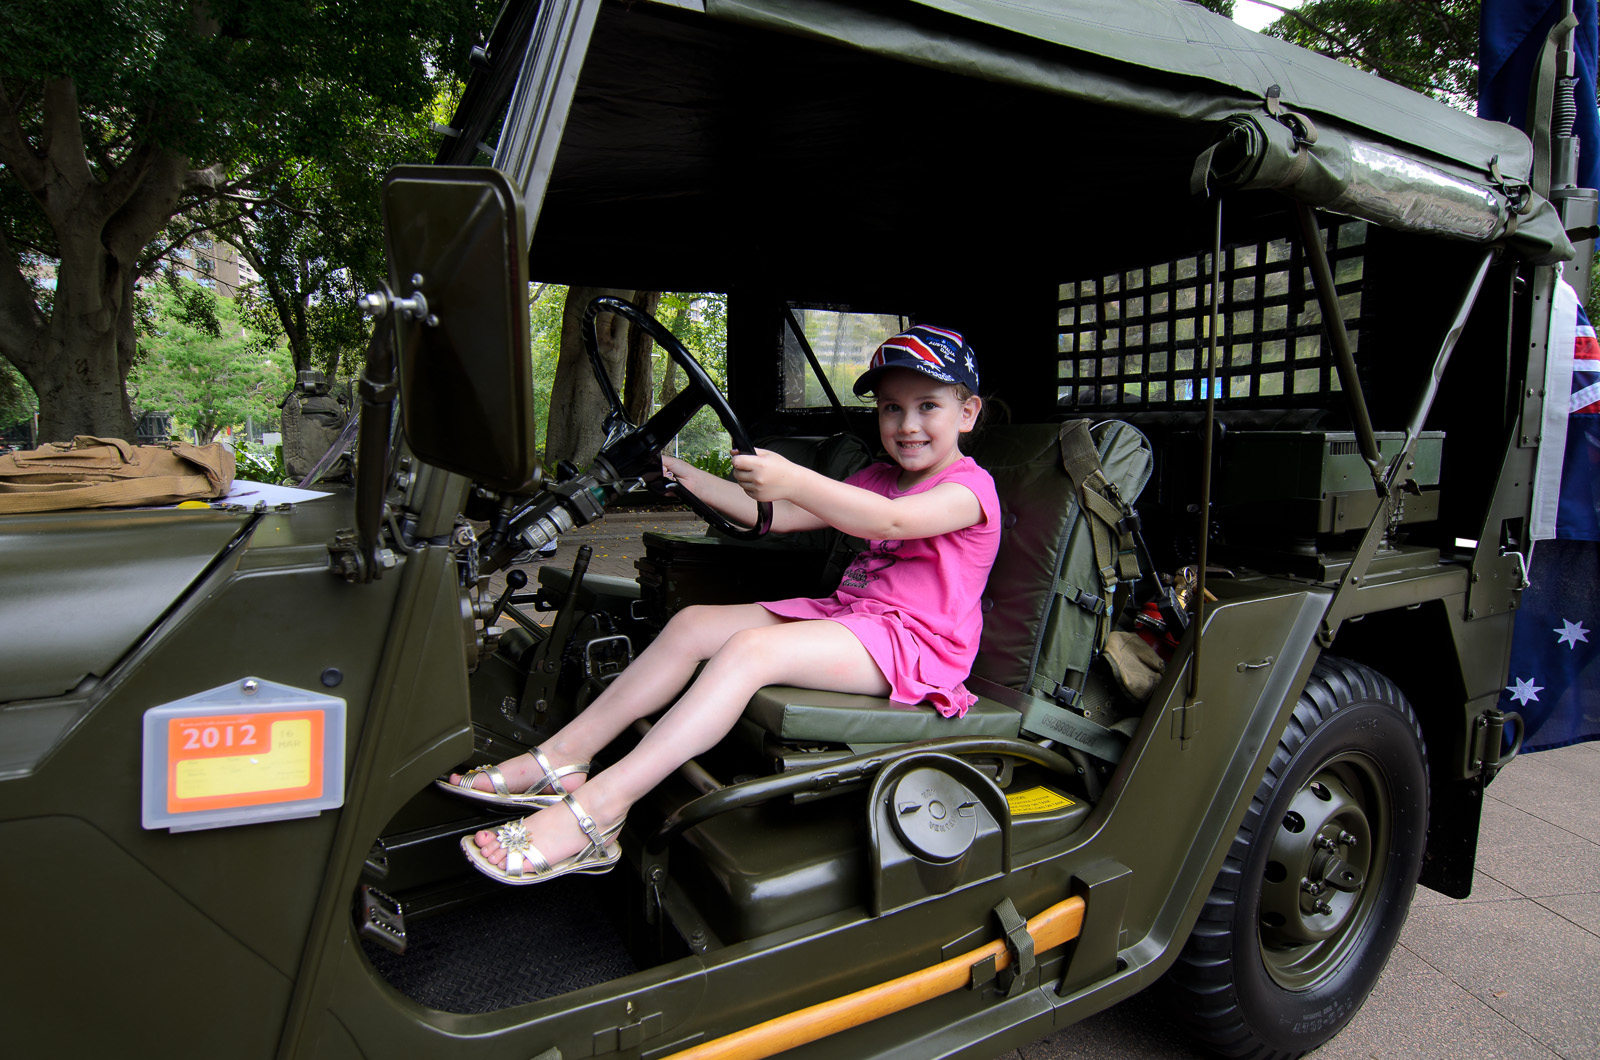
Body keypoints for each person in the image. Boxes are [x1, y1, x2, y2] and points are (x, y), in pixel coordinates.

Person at [439, 325, 1001, 884]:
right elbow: (771, 516)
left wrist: (793, 477)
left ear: (967, 413)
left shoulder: (969, 490)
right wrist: (681, 473)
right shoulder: (877, 477)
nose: (906, 425)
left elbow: (892, 522)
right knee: (693, 624)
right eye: (890, 408)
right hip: (852, 619)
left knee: (749, 651)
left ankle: (604, 807)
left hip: (917, 644)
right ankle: (563, 757)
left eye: (928, 406)